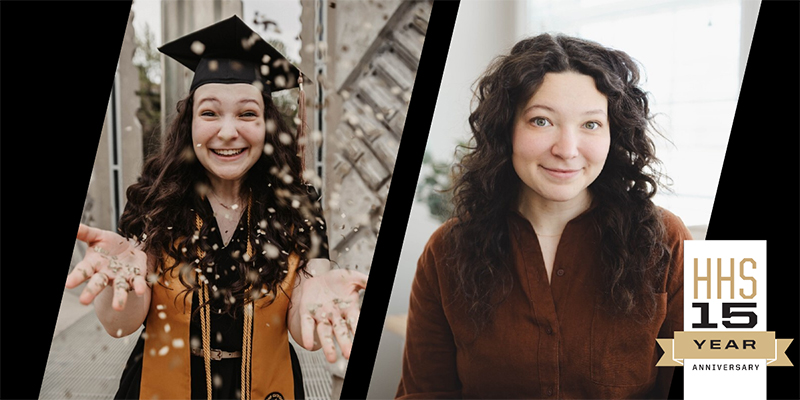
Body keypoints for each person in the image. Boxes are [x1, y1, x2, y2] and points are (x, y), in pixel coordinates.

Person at [64, 16, 367, 400]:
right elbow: (120, 325)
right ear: (189, 123)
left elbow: (303, 331)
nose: (227, 132)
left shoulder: (299, 206)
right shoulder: (153, 199)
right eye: (209, 113)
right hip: (161, 384)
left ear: (267, 126)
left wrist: (320, 298)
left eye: (247, 114)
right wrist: (116, 282)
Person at [396, 33, 691, 399]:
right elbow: (424, 393)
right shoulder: (446, 250)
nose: (566, 150)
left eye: (591, 124)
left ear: (613, 134)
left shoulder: (670, 239)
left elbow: (725, 381)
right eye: (541, 121)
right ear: (507, 128)